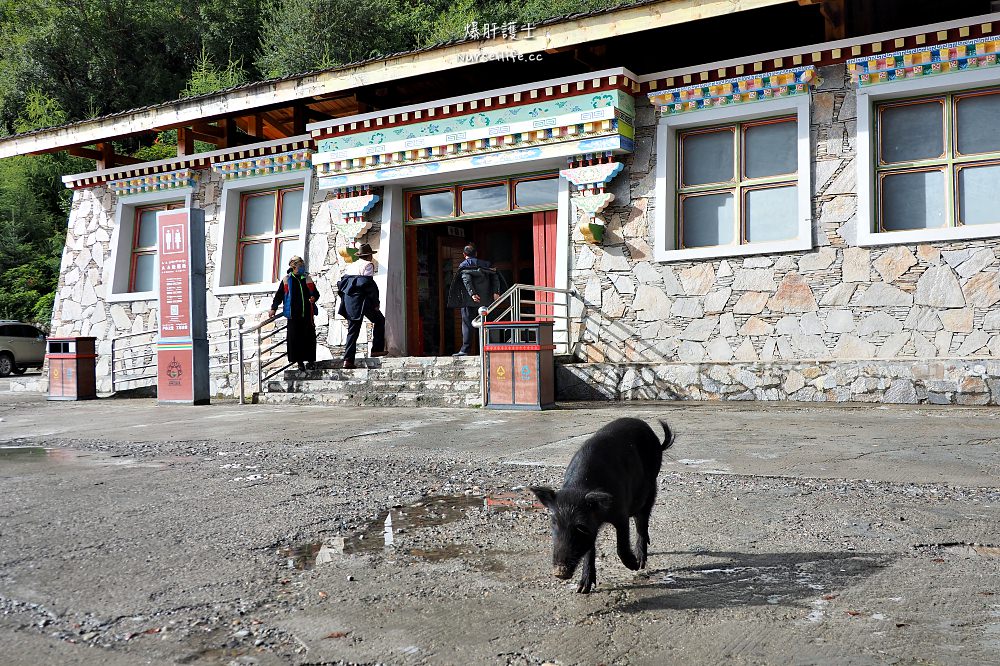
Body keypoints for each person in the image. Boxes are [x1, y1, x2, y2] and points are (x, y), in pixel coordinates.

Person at [447, 244, 504, 357]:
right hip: (486, 301)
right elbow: (495, 277)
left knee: (467, 324)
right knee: (488, 324)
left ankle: (465, 350)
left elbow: (466, 279)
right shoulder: (486, 265)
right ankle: (493, 348)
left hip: (469, 301)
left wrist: (472, 293)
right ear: (476, 254)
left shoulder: (463, 266)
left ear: (464, 255)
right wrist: (496, 292)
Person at [337, 243, 387, 369]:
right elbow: (368, 285)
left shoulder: (351, 266)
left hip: (350, 301)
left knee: (352, 331)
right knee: (380, 320)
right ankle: (375, 350)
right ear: (369, 255)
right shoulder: (368, 265)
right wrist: (376, 303)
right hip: (362, 300)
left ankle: (348, 360)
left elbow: (343, 284)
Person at [269, 256, 320, 372]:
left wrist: (313, 298)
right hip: (293, 314)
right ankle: (300, 362)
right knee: (295, 338)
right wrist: (273, 308)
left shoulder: (307, 278)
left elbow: (316, 294)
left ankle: (311, 361)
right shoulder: (287, 280)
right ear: (294, 267)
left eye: (303, 265)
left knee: (309, 337)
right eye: (300, 266)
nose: (302, 267)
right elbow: (279, 295)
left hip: (307, 314)